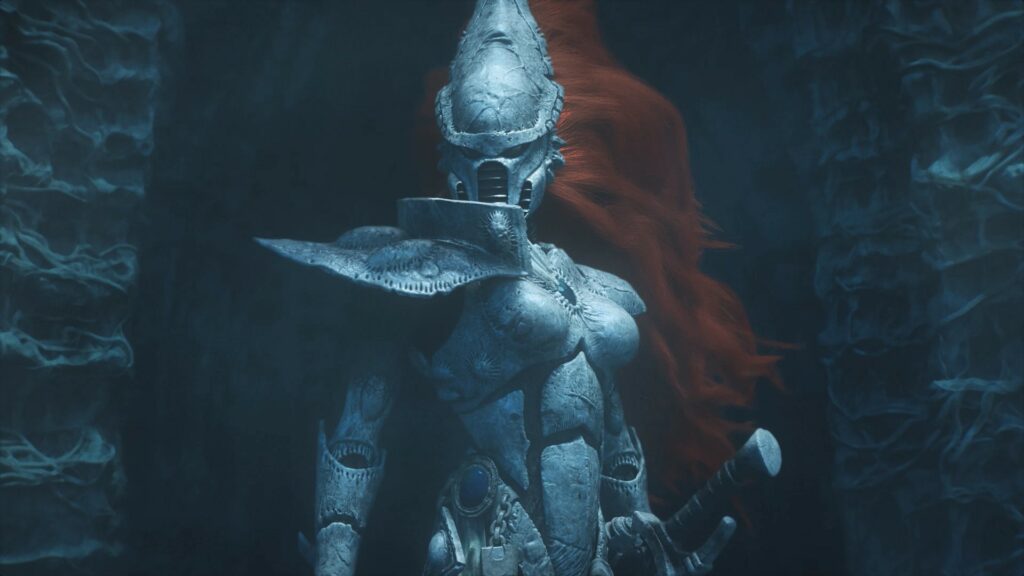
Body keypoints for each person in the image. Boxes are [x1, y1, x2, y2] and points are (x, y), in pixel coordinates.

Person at [259, 1, 779, 574]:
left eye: (511, 155)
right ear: (452, 157)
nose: (494, 176)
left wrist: (639, 529)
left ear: (548, 152)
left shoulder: (578, 281)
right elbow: (358, 434)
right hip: (484, 543)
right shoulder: (422, 275)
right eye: (476, 156)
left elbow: (612, 433)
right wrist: (334, 564)